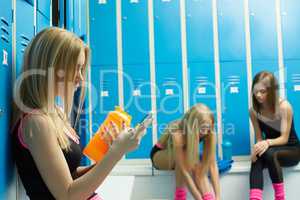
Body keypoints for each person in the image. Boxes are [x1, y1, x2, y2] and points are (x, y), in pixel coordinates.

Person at [11, 27, 145, 200]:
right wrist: (116, 153)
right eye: (76, 68)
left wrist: (113, 152)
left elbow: (70, 176)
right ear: (52, 68)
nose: (81, 78)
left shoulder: (55, 113)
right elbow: (67, 195)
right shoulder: (36, 122)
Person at [150, 103, 220, 200]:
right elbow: (184, 171)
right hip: (160, 155)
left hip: (183, 155)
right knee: (187, 159)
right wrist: (198, 197)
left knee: (200, 166)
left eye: (207, 128)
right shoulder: (178, 133)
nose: (204, 132)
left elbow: (212, 165)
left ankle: (209, 197)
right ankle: (180, 197)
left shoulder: (209, 132)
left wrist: (218, 196)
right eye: (202, 129)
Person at [249, 71, 300, 200]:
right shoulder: (253, 111)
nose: (258, 95)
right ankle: (255, 198)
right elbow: (259, 137)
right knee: (256, 158)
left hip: (292, 149)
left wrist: (266, 143)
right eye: (255, 91)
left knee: (271, 154)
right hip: (271, 148)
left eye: (263, 91)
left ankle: (280, 197)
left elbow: (284, 138)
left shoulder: (284, 107)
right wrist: (257, 148)